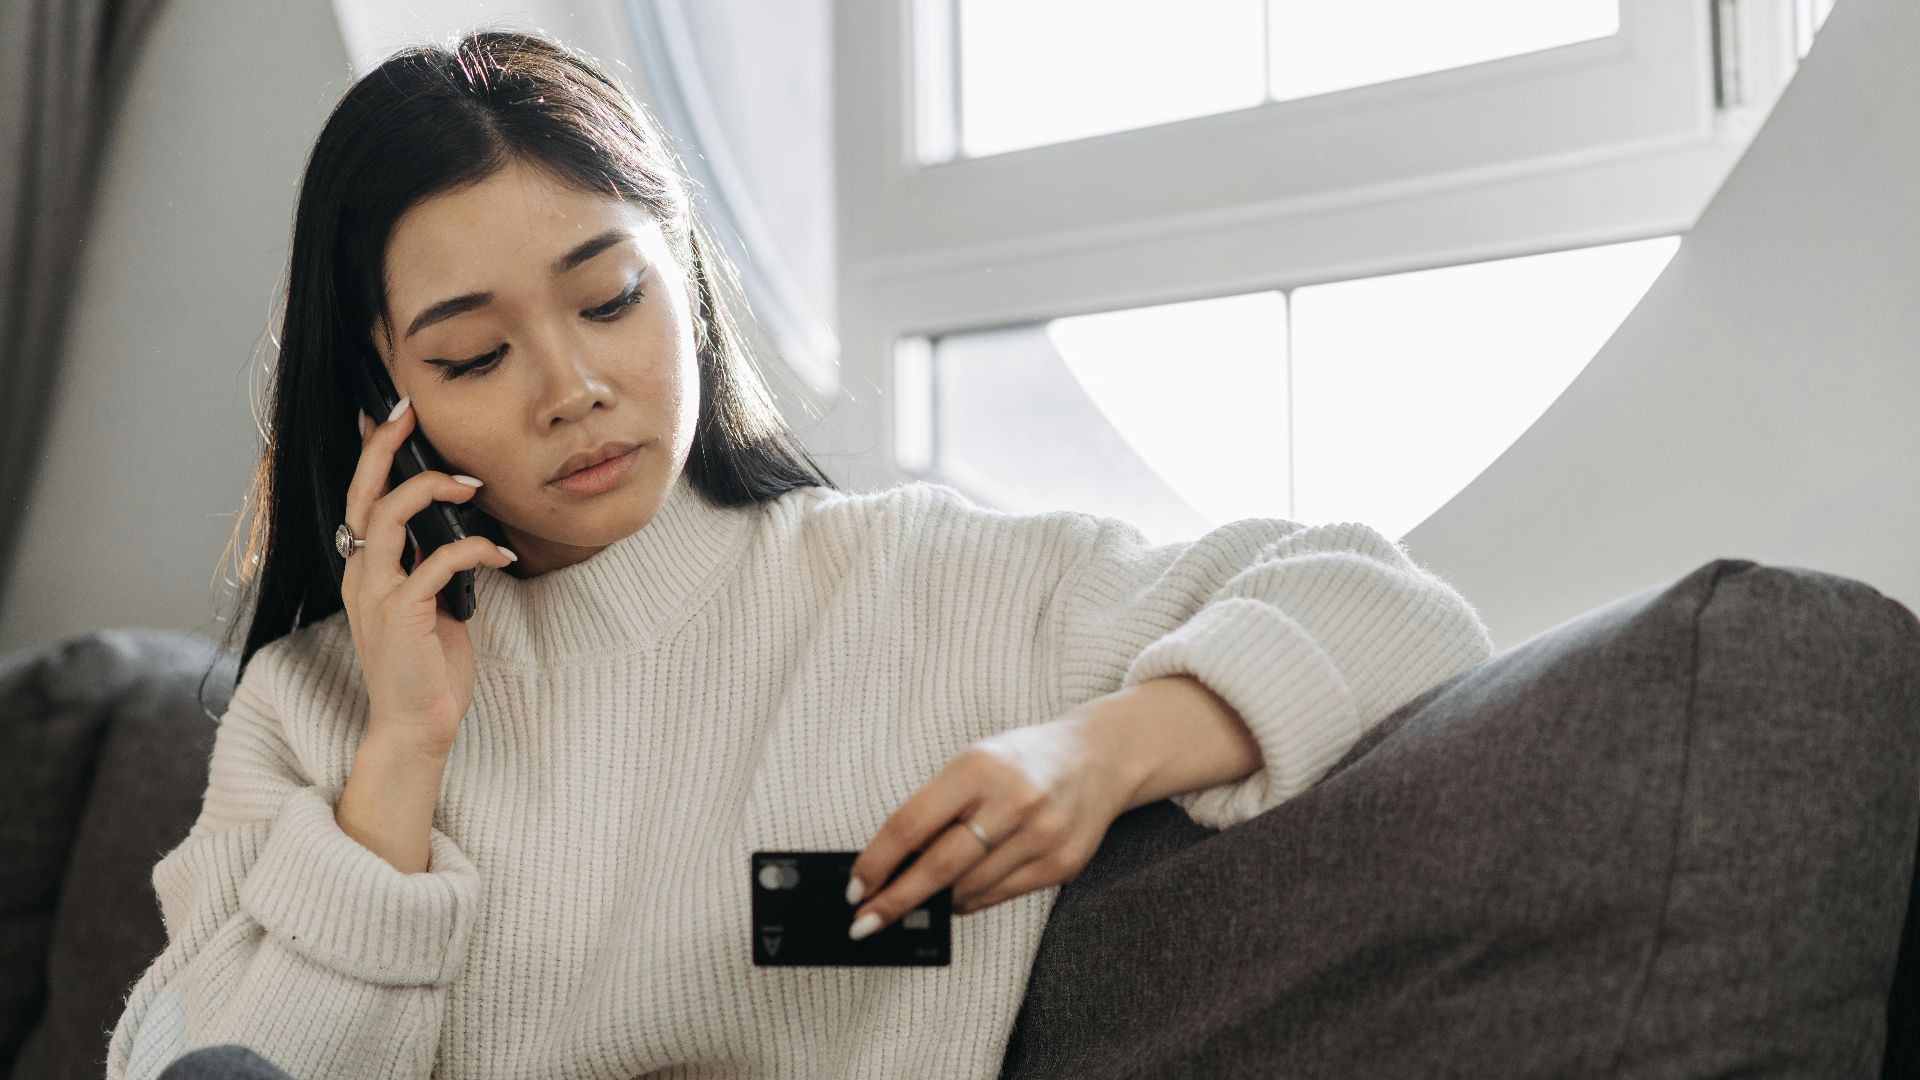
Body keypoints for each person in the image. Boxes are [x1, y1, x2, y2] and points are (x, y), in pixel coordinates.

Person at [105, 27, 1495, 1080]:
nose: (571, 386)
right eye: (474, 353)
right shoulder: (314, 710)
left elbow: (1387, 608)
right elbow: (206, 1066)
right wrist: (402, 757)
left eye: (608, 299)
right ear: (382, 401)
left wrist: (1098, 754)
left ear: (687, 279)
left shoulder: (924, 588)